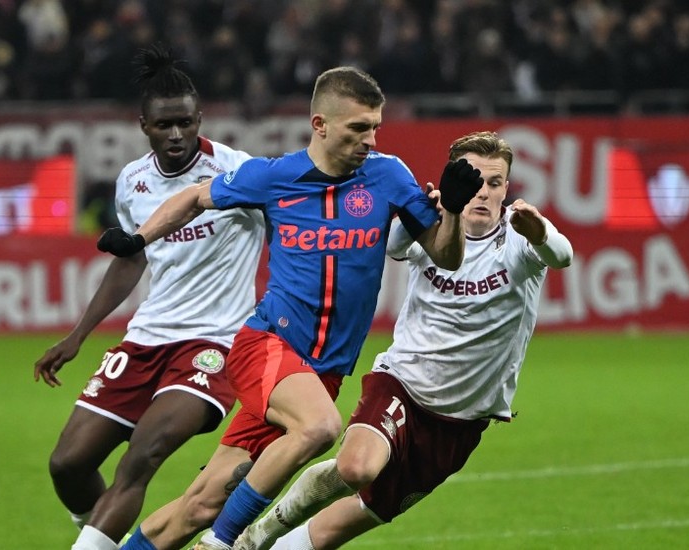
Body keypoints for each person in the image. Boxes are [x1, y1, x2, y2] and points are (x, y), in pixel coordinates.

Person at [98, 66, 485, 550]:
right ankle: (221, 545)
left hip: (321, 374)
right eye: (358, 128)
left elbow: (445, 256)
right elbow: (195, 197)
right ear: (320, 125)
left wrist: (450, 209)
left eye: (375, 127)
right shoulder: (274, 176)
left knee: (201, 502)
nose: (370, 139)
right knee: (321, 427)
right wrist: (137, 237)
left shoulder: (388, 176)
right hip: (267, 346)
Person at [235, 131, 574, 550]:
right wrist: (428, 212)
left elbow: (562, 255)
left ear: (506, 187)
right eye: (473, 182)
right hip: (402, 385)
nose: (483, 193)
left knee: (344, 524)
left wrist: (539, 231)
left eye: (495, 183)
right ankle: (253, 538)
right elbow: (394, 246)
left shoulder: (520, 234)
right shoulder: (433, 225)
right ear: (453, 181)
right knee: (357, 467)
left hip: (462, 420)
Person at [34, 43, 265, 550]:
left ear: (200, 117)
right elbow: (132, 259)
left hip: (214, 343)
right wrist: (79, 335)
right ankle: (107, 539)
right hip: (145, 339)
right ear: (144, 125)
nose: (177, 134)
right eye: (165, 125)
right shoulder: (133, 181)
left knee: (140, 457)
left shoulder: (239, 172)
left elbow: (297, 225)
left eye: (186, 122)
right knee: (68, 464)